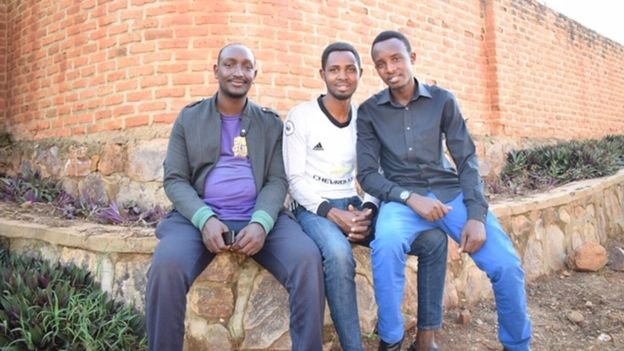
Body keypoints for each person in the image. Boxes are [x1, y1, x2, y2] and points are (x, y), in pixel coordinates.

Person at [356, 30, 533, 351]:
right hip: (403, 201)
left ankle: (518, 345)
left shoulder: (442, 100)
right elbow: (367, 175)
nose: (389, 68)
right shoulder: (369, 112)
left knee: (506, 265)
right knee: (386, 245)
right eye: (380, 64)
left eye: (396, 59)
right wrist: (410, 198)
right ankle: (392, 341)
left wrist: (476, 215)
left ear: (412, 59)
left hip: (451, 196)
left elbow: (466, 160)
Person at [145, 43, 325, 351]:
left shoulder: (269, 123)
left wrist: (262, 222)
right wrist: (204, 218)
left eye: (246, 66)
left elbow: (276, 179)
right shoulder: (189, 118)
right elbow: (175, 179)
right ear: (216, 70)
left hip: (258, 216)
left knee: (308, 259)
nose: (238, 72)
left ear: (256, 73)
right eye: (229, 64)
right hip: (198, 219)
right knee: (166, 267)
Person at [283, 42, 448, 351]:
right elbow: (294, 180)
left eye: (350, 69)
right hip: (313, 208)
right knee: (339, 254)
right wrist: (334, 215)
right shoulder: (301, 115)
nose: (342, 76)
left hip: (355, 204)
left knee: (433, 242)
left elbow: (375, 172)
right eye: (334, 69)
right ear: (323, 74)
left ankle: (426, 339)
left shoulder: (367, 117)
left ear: (360, 74)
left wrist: (369, 209)